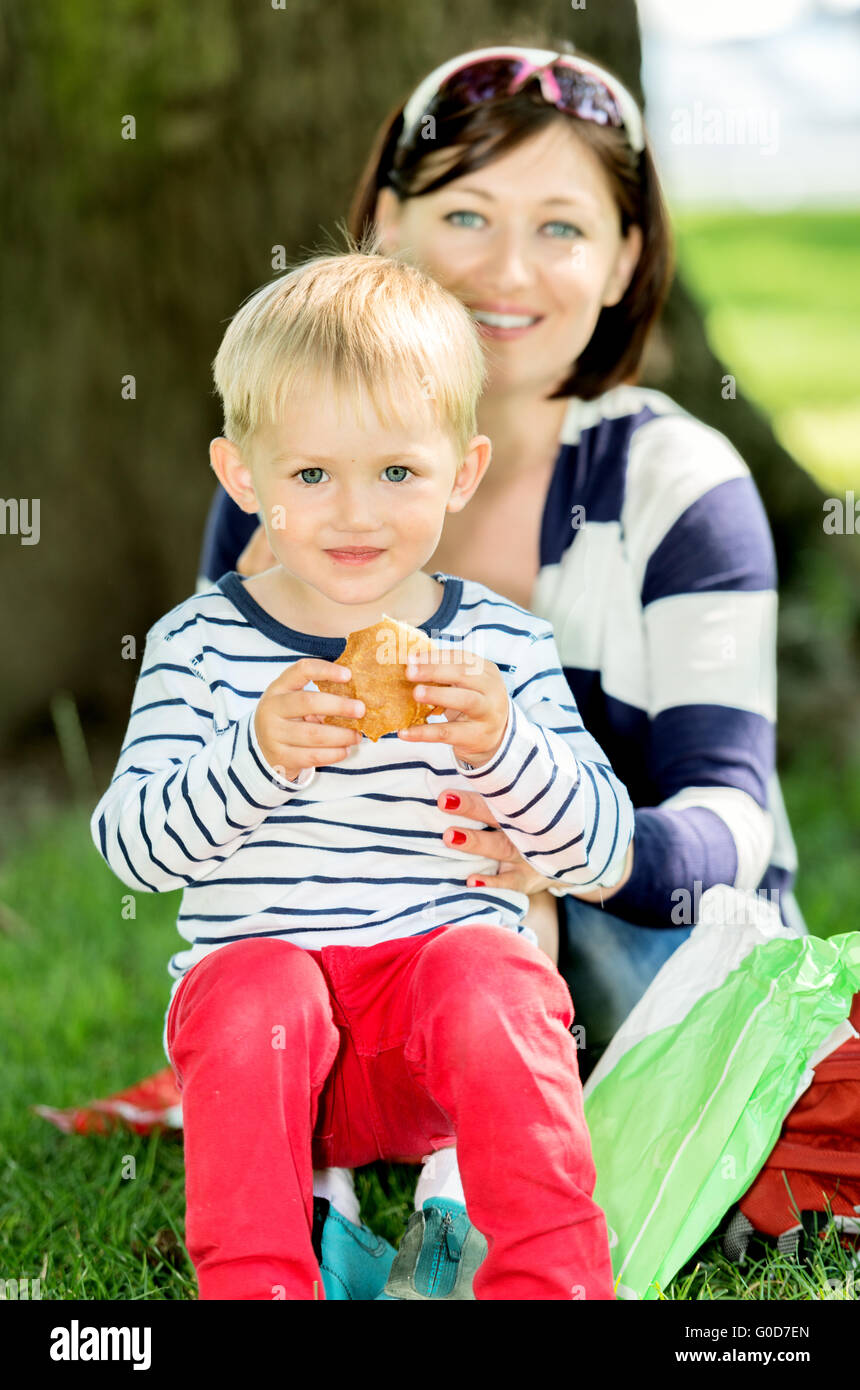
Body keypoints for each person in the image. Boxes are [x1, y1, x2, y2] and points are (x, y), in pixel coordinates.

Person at [90, 249, 635, 1300]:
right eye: (310, 475)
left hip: (437, 1050)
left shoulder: (501, 648)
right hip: (272, 1061)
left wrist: (503, 743)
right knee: (255, 987)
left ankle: (551, 1277)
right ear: (243, 478)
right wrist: (251, 754)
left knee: (494, 968)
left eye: (395, 472)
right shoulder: (198, 646)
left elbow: (600, 853)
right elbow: (132, 849)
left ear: (460, 471)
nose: (354, 513)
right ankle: (260, 1276)